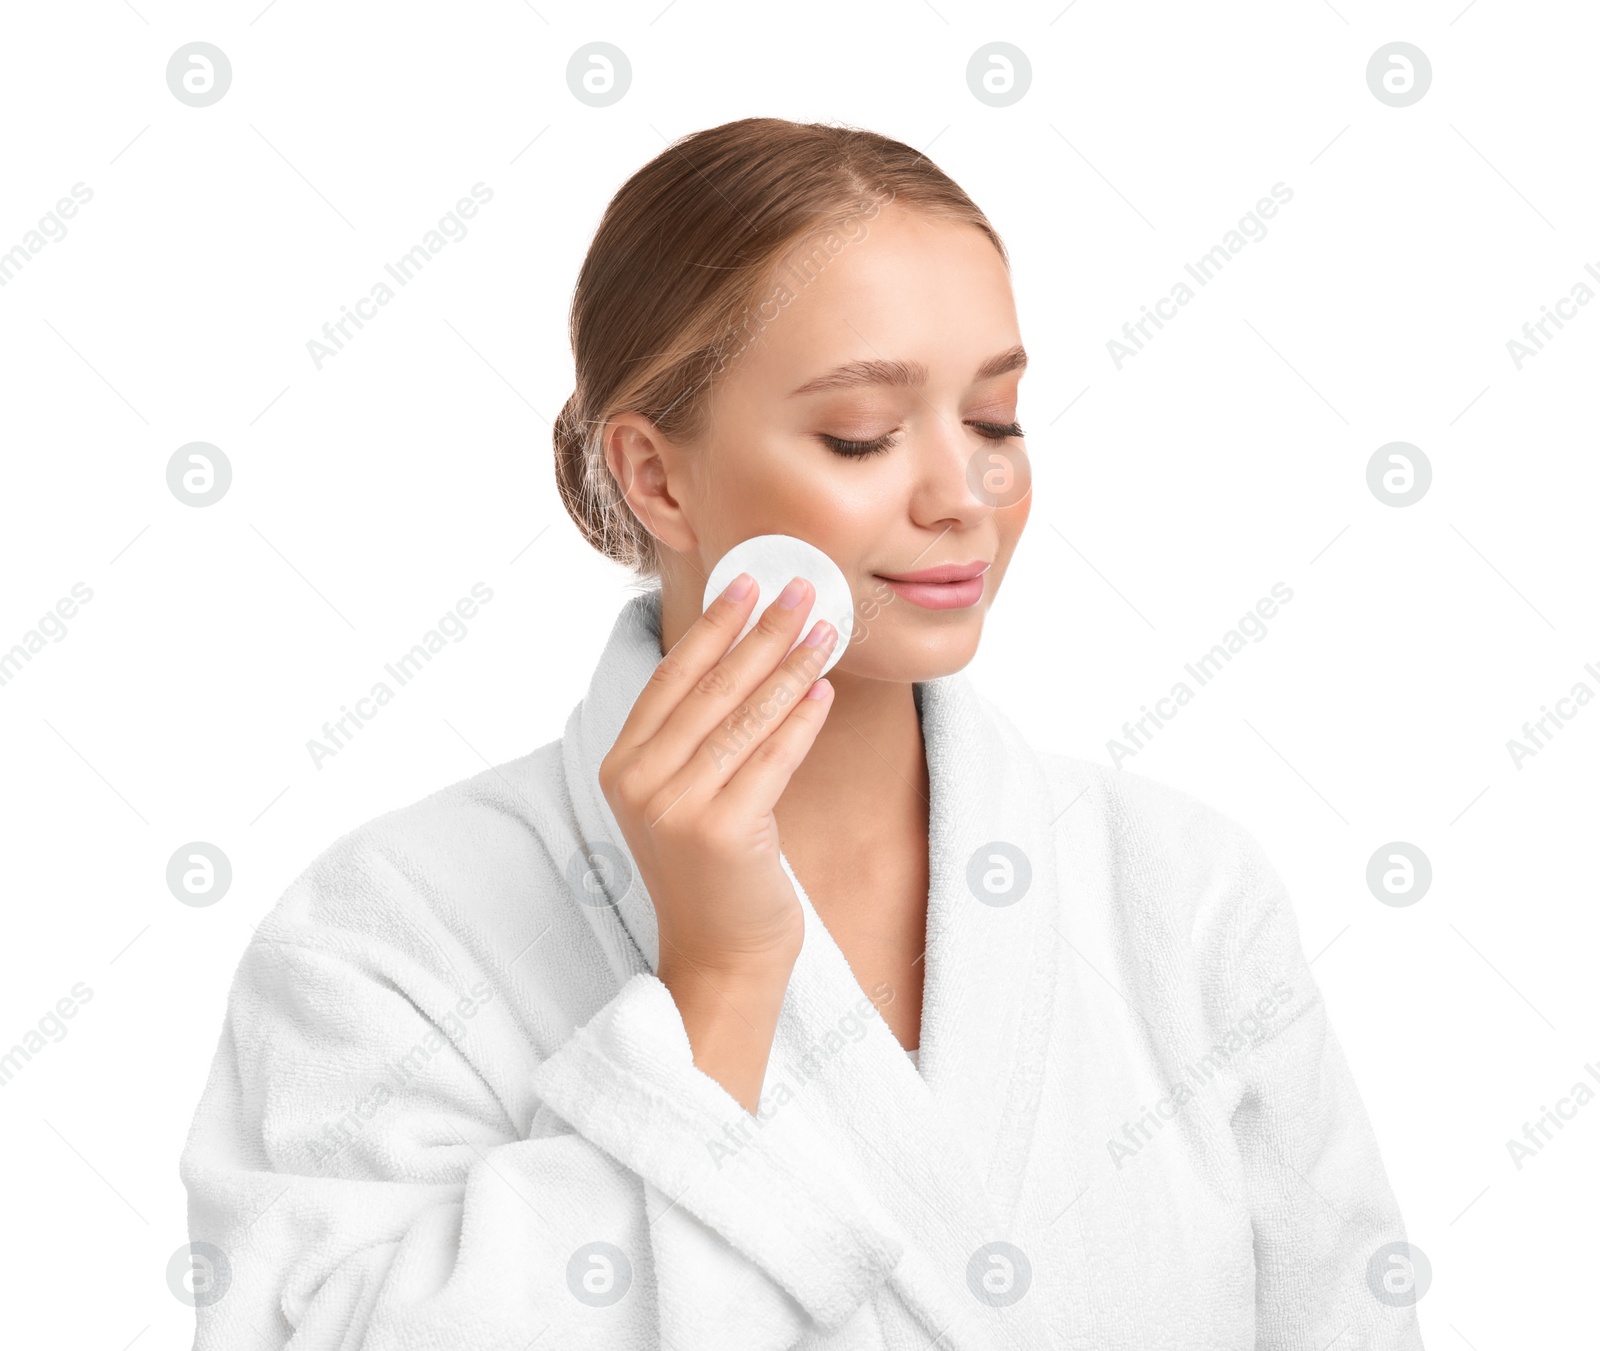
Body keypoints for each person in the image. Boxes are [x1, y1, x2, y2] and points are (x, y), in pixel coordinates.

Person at [179, 117, 1426, 1349]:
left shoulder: (1181, 890)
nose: (964, 497)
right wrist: (712, 988)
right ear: (658, 479)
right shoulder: (385, 935)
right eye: (861, 435)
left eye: (993, 420)